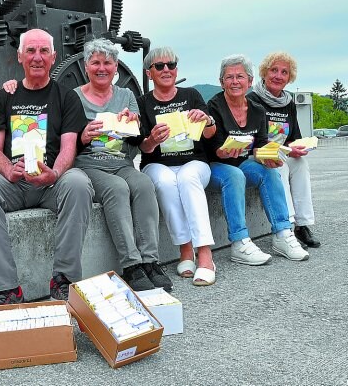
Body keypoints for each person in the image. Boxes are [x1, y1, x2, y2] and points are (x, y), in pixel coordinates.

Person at [0, 28, 94, 304]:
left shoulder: (66, 97)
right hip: (15, 180)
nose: (37, 57)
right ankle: (7, 289)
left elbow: (69, 147)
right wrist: (7, 170)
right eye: (31, 51)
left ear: (53, 56)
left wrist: (55, 173)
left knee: (79, 183)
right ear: (20, 56)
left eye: (44, 51)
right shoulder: (5, 97)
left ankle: (64, 279)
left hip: (52, 182)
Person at [74, 39, 172, 292]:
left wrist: (133, 122)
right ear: (87, 66)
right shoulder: (74, 98)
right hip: (90, 164)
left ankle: (150, 260)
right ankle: (131, 265)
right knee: (117, 189)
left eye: (107, 62)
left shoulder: (126, 96)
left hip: (122, 161)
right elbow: (65, 139)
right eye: (96, 62)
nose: (101, 68)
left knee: (143, 184)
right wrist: (84, 135)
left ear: (116, 66)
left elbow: (137, 138)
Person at [205, 54, 308, 265]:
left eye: (240, 77)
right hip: (215, 165)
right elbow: (210, 145)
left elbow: (259, 144)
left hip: (243, 162)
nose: (235, 82)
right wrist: (222, 152)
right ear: (221, 82)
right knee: (233, 174)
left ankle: (282, 234)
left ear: (250, 81)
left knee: (269, 170)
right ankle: (239, 241)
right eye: (229, 77)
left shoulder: (257, 110)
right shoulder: (214, 105)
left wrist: (267, 156)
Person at [136, 46, 217, 286]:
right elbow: (143, 147)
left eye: (170, 65)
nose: (166, 70)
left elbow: (211, 134)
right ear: (149, 73)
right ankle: (185, 249)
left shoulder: (191, 95)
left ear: (176, 69)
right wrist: (152, 139)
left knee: (187, 177)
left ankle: (204, 254)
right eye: (159, 66)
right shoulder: (142, 102)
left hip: (194, 160)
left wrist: (207, 119)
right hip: (157, 162)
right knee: (164, 181)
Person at [247, 52, 320, 248]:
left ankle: (302, 224)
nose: (278, 76)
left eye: (284, 72)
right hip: (257, 153)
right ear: (264, 72)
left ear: (289, 78)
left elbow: (293, 137)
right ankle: (285, 224)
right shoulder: (253, 99)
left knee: (300, 163)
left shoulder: (289, 103)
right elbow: (253, 138)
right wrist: (284, 150)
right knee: (280, 163)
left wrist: (299, 148)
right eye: (274, 70)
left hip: (281, 151)